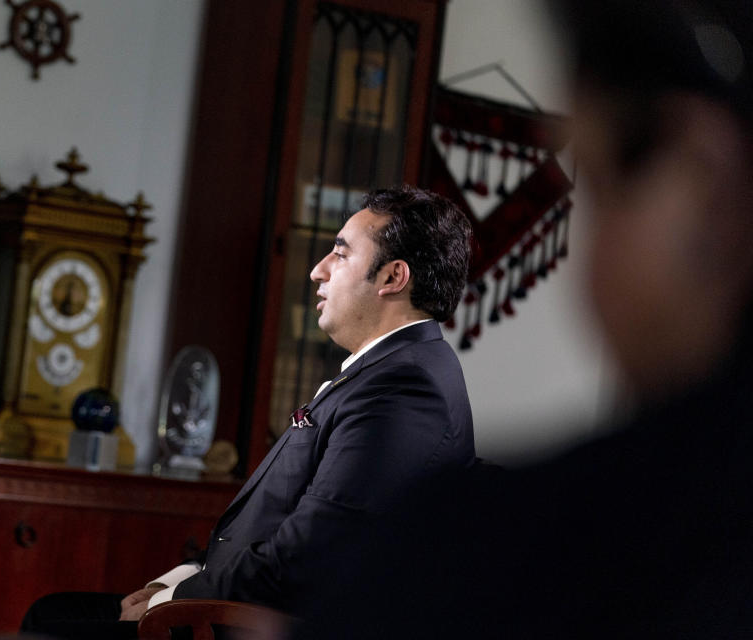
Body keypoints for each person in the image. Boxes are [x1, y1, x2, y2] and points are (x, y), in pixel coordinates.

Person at [297, 1, 753, 637]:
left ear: (709, 190)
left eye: (596, 189)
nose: (317, 271)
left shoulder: (481, 562)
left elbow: (309, 546)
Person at [21, 186, 477, 637]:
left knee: (52, 625)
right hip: (222, 601)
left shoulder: (406, 388)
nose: (318, 271)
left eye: (340, 254)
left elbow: (307, 559)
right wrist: (176, 581)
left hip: (248, 623)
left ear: (393, 278)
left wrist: (169, 603)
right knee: (51, 611)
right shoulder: (387, 370)